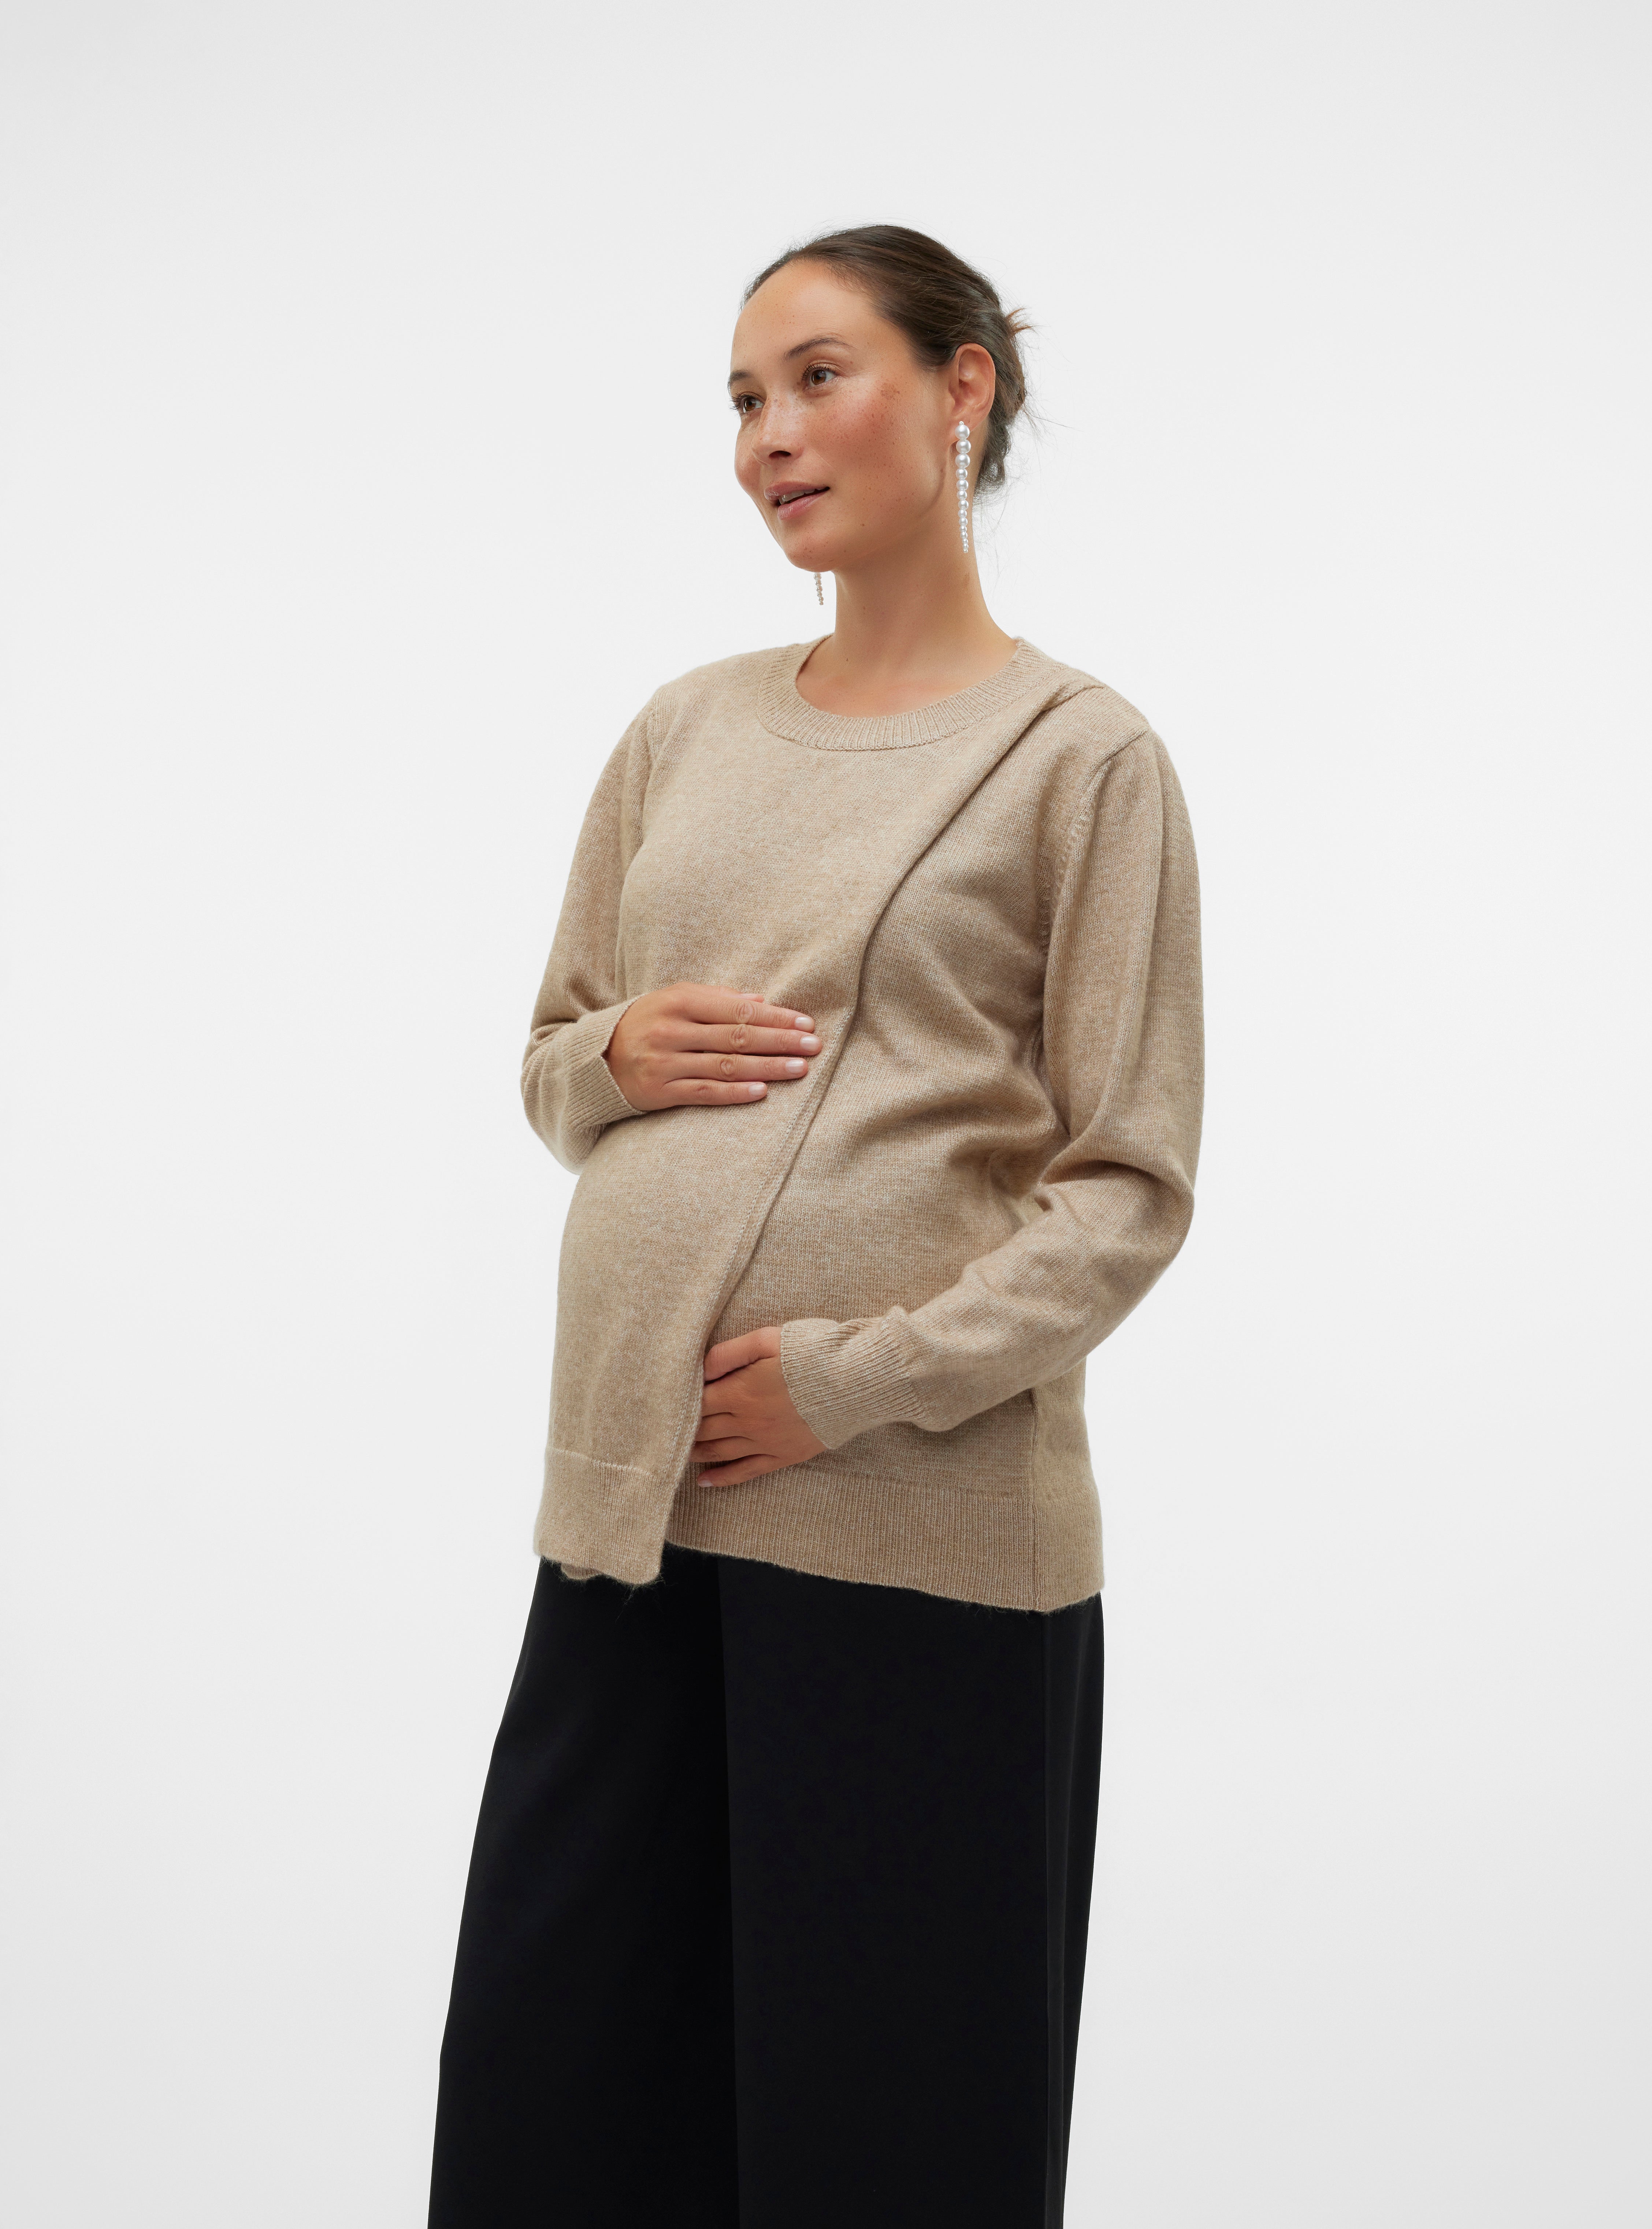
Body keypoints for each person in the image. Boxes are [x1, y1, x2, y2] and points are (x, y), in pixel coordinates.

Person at [427, 224, 1204, 2229]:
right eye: (742, 401)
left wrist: (852, 1383)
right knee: (556, 2117)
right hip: (629, 1527)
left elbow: (1126, 1190)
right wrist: (617, 1050)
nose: (768, 436)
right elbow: (547, 1066)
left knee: (883, 2144)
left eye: (818, 378)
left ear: (965, 390)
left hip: (911, 1551)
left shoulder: (1081, 758)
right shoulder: (681, 728)